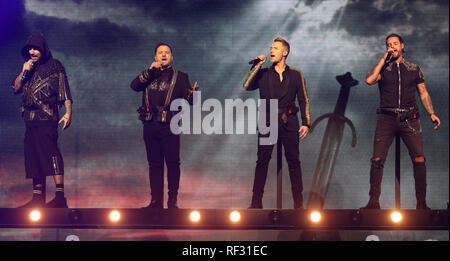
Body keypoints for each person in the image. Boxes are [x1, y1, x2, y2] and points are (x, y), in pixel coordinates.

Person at [363, 33, 441, 210]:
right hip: (386, 118)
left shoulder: (414, 68)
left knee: (419, 159)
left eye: (395, 44)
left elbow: (423, 92)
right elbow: (369, 80)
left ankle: (421, 203)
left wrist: (432, 113)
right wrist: (384, 58)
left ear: (402, 46)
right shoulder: (384, 69)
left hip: (409, 119)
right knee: (376, 159)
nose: (392, 47)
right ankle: (373, 202)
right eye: (389, 45)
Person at [243, 37, 311, 209]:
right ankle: (256, 202)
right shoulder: (263, 73)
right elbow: (247, 85)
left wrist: (306, 122)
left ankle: (298, 203)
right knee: (262, 161)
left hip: (290, 121)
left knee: (294, 161)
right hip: (267, 120)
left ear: (285, 52)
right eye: (270, 48)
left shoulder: (296, 74)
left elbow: (303, 99)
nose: (271, 50)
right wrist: (257, 65)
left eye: (276, 48)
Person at [130, 43, 198, 209]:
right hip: (150, 124)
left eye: (167, 52)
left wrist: (194, 93)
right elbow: (134, 86)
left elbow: (192, 102)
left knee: (173, 163)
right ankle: (155, 201)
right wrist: (149, 71)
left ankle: (172, 200)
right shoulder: (148, 75)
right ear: (155, 57)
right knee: (154, 164)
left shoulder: (181, 77)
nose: (163, 54)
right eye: (160, 52)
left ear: (171, 56)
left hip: (170, 124)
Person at [12, 32, 73, 208]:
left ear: (43, 49)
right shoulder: (27, 68)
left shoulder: (55, 65)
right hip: (29, 120)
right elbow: (16, 88)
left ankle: (60, 197)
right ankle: (37, 198)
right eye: (30, 48)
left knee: (51, 153)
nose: (32, 51)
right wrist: (23, 72)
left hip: (47, 118)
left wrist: (68, 112)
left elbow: (65, 92)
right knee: (33, 156)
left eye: (36, 48)